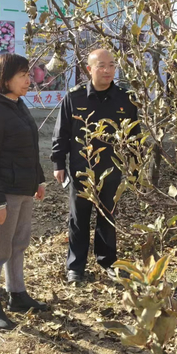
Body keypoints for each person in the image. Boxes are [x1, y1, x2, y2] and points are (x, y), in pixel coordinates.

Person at [0, 53, 49, 331]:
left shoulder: (17, 104)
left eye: (29, 74)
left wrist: (38, 180)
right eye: (22, 75)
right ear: (4, 78)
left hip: (24, 190)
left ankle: (17, 294)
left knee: (18, 245)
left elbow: (28, 146)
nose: (29, 80)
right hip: (3, 194)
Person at [52, 49, 140, 283]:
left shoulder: (125, 99)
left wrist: (135, 167)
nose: (108, 70)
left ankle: (108, 261)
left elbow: (134, 137)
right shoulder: (75, 98)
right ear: (89, 69)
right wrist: (58, 163)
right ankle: (75, 267)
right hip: (81, 170)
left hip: (112, 169)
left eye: (112, 65)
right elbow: (61, 134)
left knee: (107, 217)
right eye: (101, 66)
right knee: (78, 219)